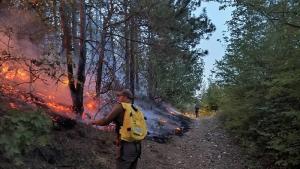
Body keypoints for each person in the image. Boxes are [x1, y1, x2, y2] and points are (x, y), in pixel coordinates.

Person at [90, 89, 141, 169]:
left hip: (126, 147)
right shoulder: (135, 108)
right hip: (137, 146)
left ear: (125, 97)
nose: (118, 98)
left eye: (120, 96)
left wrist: (93, 122)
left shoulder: (120, 107)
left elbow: (105, 121)